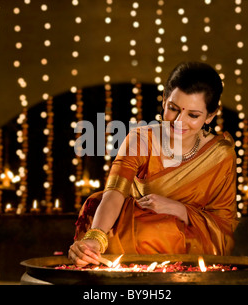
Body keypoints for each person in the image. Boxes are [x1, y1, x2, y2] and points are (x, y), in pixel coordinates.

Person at [68, 61, 238, 266]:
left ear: (211, 115)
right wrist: (96, 238)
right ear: (164, 100)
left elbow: (223, 223)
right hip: (134, 224)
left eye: (193, 115)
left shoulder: (221, 155)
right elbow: (114, 192)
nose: (178, 122)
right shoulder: (140, 139)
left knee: (163, 230)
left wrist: (179, 209)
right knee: (97, 208)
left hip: (186, 236)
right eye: (173, 109)